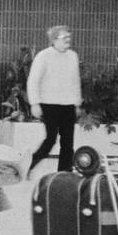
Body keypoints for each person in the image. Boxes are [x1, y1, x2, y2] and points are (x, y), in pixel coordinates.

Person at [26, 25, 80, 171]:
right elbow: (33, 81)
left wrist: (77, 104)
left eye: (69, 37)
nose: (68, 40)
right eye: (64, 38)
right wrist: (34, 103)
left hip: (68, 105)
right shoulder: (43, 56)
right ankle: (28, 165)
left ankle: (64, 175)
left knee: (68, 142)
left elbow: (75, 81)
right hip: (49, 105)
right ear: (54, 40)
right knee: (50, 140)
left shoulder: (73, 56)